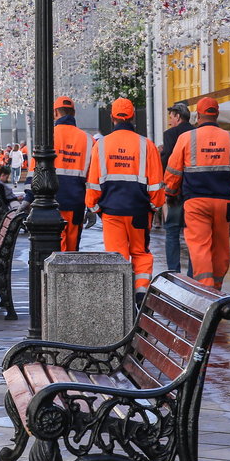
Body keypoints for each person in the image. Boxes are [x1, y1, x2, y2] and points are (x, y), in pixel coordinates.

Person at [164, 97, 230, 290]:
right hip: (224, 204)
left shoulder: (187, 138)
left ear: (198, 116)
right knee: (221, 247)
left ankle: (205, 291)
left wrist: (170, 193)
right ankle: (217, 288)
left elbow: (173, 170)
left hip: (196, 202)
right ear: (217, 115)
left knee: (199, 247)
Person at [86, 98, 165, 306]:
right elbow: (156, 185)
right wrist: (154, 207)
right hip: (139, 211)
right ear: (133, 118)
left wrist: (95, 207)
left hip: (111, 211)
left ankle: (119, 300)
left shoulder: (101, 145)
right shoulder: (146, 145)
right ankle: (140, 292)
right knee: (140, 253)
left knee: (117, 257)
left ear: (112, 118)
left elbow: (93, 182)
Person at [52, 95, 94, 251]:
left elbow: (34, 171)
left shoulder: (48, 136)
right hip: (76, 203)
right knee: (71, 249)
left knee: (54, 248)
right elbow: (92, 178)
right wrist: (91, 207)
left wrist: (28, 199)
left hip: (51, 203)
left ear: (55, 113)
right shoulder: (89, 140)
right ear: (73, 114)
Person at [161, 102, 195, 272]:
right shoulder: (197, 134)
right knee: (194, 234)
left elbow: (168, 160)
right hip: (194, 191)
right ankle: (192, 274)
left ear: (177, 116)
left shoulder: (171, 134)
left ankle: (174, 271)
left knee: (172, 230)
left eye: (171, 117)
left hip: (176, 191)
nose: (170, 121)